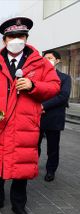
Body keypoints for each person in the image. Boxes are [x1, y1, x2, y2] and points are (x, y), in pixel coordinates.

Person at [0, 17, 60, 214]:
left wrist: (33, 85)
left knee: (20, 169)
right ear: (4, 40)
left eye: (20, 36)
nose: (16, 40)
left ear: (26, 38)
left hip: (25, 127)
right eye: (11, 36)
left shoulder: (39, 63)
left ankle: (18, 205)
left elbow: (54, 86)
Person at [38, 50, 71, 182]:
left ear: (57, 61)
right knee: (34, 145)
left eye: (50, 58)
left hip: (54, 117)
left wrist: (42, 106)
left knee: (52, 147)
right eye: (45, 57)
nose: (46, 60)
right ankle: (31, 166)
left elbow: (63, 96)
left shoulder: (65, 78)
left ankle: (51, 170)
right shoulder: (37, 76)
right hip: (37, 117)